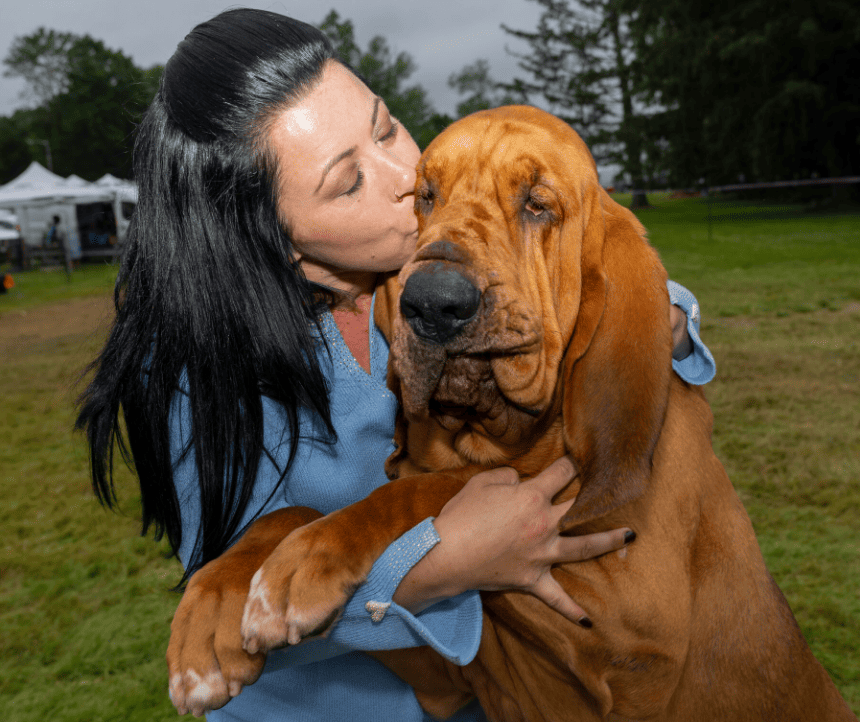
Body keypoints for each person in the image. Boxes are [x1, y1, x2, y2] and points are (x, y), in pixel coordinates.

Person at [75, 9, 716, 722]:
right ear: (278, 243)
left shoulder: (420, 273)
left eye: (384, 127)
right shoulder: (196, 367)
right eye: (348, 182)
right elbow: (237, 632)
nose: (407, 178)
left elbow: (590, 268)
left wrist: (672, 319)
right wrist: (442, 567)